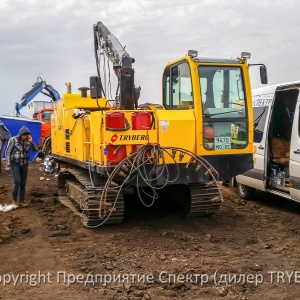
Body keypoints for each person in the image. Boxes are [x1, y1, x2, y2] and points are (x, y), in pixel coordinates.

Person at [5, 126, 38, 207]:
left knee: (23, 183)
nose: (25, 137)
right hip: (15, 164)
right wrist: (8, 165)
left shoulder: (28, 141)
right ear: (20, 134)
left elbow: (35, 150)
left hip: (24, 164)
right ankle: (14, 199)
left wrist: (31, 141)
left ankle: (21, 201)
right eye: (24, 135)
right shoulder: (13, 140)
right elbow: (8, 152)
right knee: (17, 181)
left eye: (26, 135)